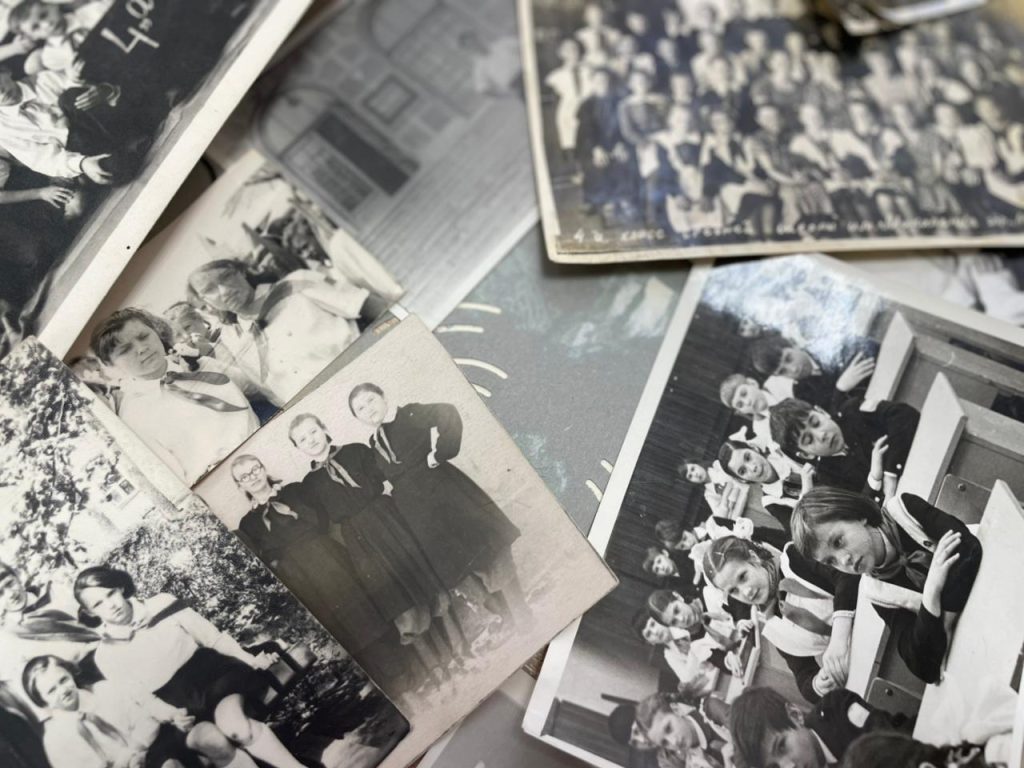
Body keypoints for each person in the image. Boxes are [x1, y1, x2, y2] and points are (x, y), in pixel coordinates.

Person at [283, 416, 461, 689]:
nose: (311, 440)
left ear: (325, 429)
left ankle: (458, 651)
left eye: (313, 432)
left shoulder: (356, 450)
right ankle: (436, 669)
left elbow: (385, 477)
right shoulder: (307, 486)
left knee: (422, 580)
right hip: (359, 539)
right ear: (298, 447)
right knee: (397, 600)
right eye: (303, 439)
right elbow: (319, 521)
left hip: (388, 520)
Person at [73, 566, 305, 768]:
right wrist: (172, 716)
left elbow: (213, 639)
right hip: (176, 703)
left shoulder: (161, 604)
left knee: (234, 726)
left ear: (120, 587)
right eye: (98, 604)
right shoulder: (106, 654)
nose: (110, 605)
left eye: (110, 593)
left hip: (214, 676)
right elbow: (142, 698)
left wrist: (250, 660)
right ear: (91, 612)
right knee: (211, 742)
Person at [350, 383, 530, 633]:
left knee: (488, 551)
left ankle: (523, 615)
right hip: (416, 512)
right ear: (358, 418)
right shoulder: (374, 443)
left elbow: (447, 412)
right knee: (457, 567)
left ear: (383, 397)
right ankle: (505, 616)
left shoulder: (409, 414)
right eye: (360, 408)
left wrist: (439, 453)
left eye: (370, 400)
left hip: (444, 494)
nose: (368, 409)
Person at [228, 453, 402, 689]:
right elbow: (267, 555)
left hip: (326, 557)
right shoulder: (248, 524)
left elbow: (320, 520)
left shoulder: (294, 491)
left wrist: (293, 526)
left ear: (264, 468)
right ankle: (384, 680)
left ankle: (403, 665)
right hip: (298, 576)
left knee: (363, 609)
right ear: (240, 486)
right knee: (339, 625)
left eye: (255, 469)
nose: (253, 477)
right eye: (245, 476)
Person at [790, 487, 982, 684]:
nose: (844, 560)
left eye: (838, 542)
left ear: (858, 516)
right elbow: (922, 667)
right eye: (831, 561)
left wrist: (943, 621)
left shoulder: (903, 510)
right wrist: (931, 593)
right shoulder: (876, 592)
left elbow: (970, 550)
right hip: (977, 626)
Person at [90, 308, 259, 484]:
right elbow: (176, 479)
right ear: (109, 363)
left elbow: (254, 389)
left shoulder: (200, 363)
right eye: (125, 349)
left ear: (155, 331)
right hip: (227, 481)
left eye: (143, 336)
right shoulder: (133, 418)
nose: (141, 348)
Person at [186, 259, 382, 407]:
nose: (224, 291)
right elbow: (271, 392)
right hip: (323, 407)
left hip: (365, 375)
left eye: (226, 277)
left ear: (242, 272)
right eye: (209, 290)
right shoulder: (237, 340)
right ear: (205, 302)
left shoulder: (298, 282)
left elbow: (375, 307)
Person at [702, 536, 859, 702]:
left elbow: (847, 576)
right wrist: (818, 683)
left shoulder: (794, 558)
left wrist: (839, 639)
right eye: (734, 591)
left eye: (743, 577)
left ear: (754, 558)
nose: (746, 592)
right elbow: (802, 673)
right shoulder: (769, 623)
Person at [24, 654, 197, 768]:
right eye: (51, 691)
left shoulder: (104, 691)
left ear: (71, 674)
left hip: (150, 748)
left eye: (63, 680)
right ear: (42, 700)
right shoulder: (55, 738)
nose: (63, 690)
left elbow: (145, 720)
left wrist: (136, 751)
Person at [769, 397, 919, 504]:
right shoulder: (828, 480)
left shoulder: (853, 410)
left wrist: (890, 472)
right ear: (806, 454)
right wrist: (874, 477)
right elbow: (863, 508)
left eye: (816, 422)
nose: (821, 435)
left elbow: (904, 414)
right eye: (809, 440)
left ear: (822, 412)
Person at [729, 686, 902, 768]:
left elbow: (895, 749)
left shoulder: (836, 709)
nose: (788, 766)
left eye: (782, 747)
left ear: (795, 715)